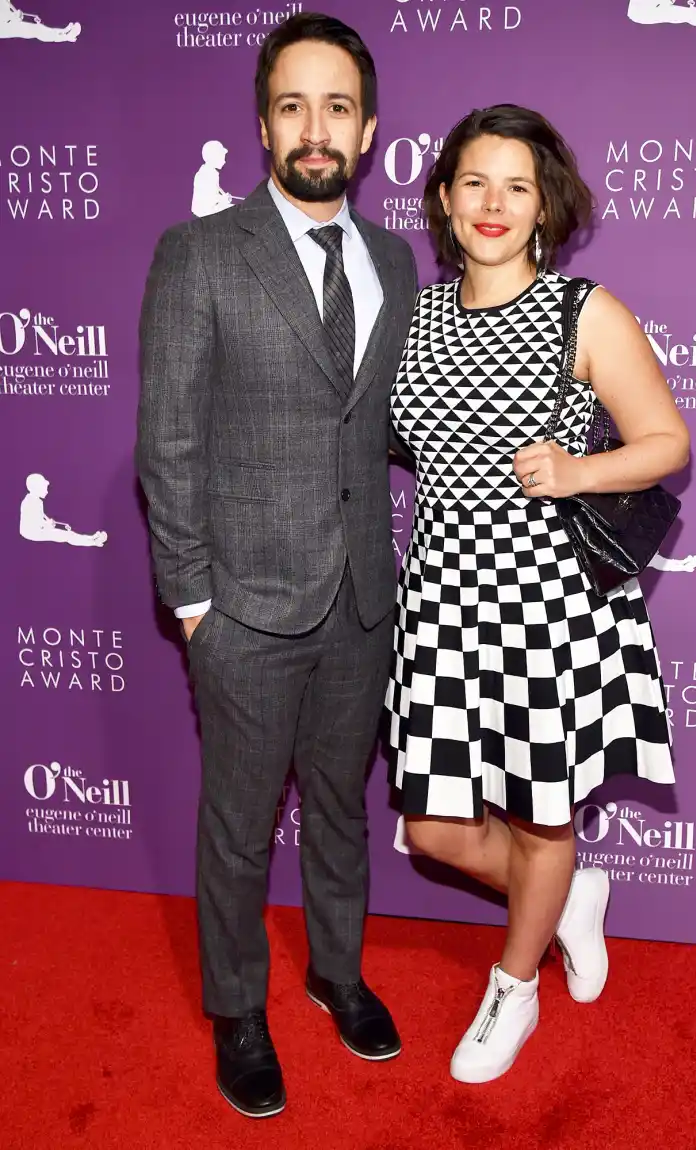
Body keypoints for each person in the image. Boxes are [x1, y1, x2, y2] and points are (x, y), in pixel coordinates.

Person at [136, 12, 417, 1120]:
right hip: (243, 605)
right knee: (239, 822)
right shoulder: (198, 252)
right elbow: (168, 440)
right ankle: (239, 1008)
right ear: (261, 125)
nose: (315, 128)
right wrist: (196, 603)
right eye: (292, 105)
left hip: (359, 596)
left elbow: (393, 421)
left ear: (368, 127)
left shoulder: (394, 260)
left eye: (336, 106)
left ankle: (337, 973)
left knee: (342, 807)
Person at [386, 104, 690, 1084]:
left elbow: (664, 443)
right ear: (442, 197)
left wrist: (572, 471)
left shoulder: (581, 311)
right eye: (473, 181)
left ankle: (513, 989)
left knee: (538, 812)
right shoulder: (416, 316)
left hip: (549, 606)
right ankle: (568, 898)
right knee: (430, 825)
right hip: (438, 600)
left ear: (542, 205)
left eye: (516, 185)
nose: (493, 203)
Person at [19, 474, 107, 546]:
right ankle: (93, 541)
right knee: (66, 535)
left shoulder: (35, 500)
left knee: (67, 534)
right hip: (31, 533)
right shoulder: (31, 503)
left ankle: (91, 539)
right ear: (36, 488)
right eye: (44, 487)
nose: (46, 491)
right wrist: (47, 525)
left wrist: (48, 522)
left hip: (35, 531)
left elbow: (40, 517)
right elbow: (35, 524)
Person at [0, 1, 80, 41]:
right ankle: (66, 36)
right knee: (36, 30)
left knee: (38, 28)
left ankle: (64, 32)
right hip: (3, 27)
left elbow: (9, 8)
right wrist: (13, 16)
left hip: (7, 22)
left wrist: (29, 16)